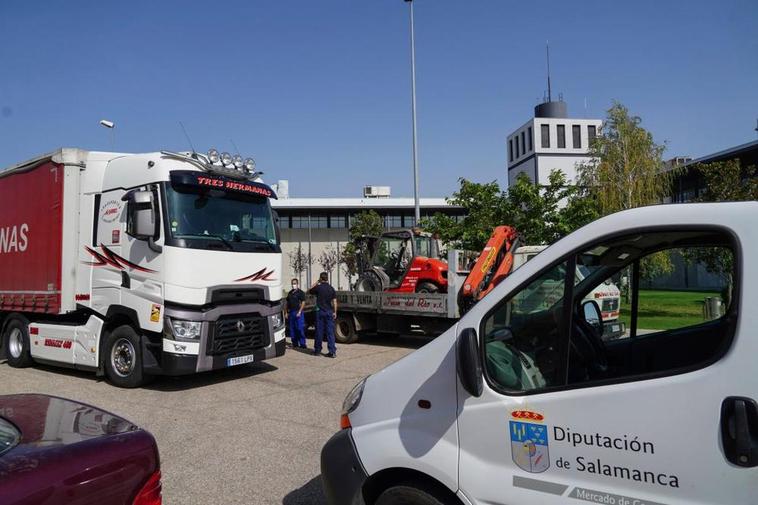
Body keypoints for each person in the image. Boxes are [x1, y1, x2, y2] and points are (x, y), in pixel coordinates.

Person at [309, 272, 337, 358]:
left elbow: (309, 290)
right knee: (330, 332)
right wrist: (335, 312)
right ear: (327, 278)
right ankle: (332, 351)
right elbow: (335, 302)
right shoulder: (331, 289)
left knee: (319, 331)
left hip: (320, 311)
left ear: (321, 278)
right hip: (329, 311)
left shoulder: (318, 288)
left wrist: (317, 282)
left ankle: (317, 350)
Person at [286, 278, 306, 349]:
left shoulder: (301, 293)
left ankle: (302, 344)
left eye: (294, 283)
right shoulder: (290, 293)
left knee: (300, 328)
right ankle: (295, 343)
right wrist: (286, 312)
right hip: (291, 312)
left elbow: (303, 302)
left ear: (297, 284)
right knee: (292, 328)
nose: (293, 285)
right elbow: (287, 303)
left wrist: (300, 311)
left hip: (298, 312)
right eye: (292, 283)